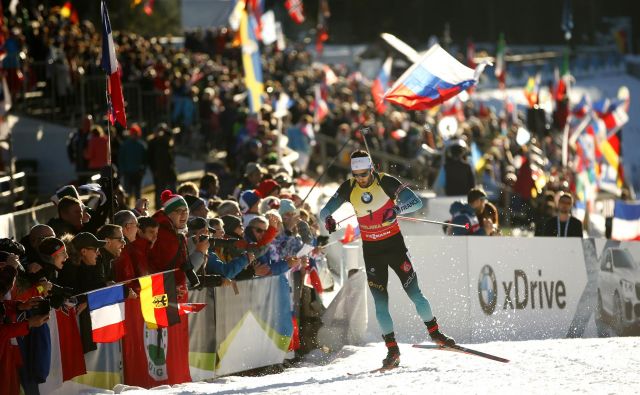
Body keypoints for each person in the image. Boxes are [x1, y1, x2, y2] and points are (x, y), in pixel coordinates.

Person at [319, 150, 454, 370]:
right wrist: (329, 219)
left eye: (364, 174)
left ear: (371, 168)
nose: (361, 179)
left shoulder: (386, 181)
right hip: (372, 252)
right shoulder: (349, 186)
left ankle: (436, 334)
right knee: (381, 304)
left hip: (395, 247)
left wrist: (397, 208)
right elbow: (325, 211)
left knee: (416, 294)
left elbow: (417, 202)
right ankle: (392, 350)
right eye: (357, 174)